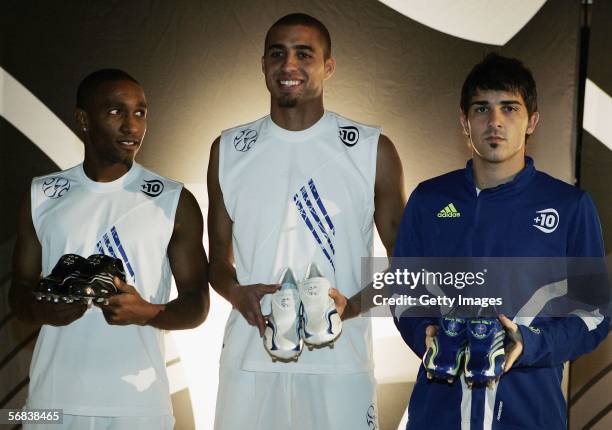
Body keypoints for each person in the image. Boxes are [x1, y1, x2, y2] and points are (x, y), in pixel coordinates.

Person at [207, 13, 406, 430]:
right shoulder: (228, 149)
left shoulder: (372, 149)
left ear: (328, 66)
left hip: (340, 363)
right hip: (251, 360)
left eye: (304, 54)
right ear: (263, 64)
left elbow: (405, 264)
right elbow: (217, 264)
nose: (289, 66)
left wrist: (351, 307)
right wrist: (236, 294)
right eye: (277, 54)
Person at [393, 53, 609, 429]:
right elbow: (401, 291)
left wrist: (530, 342)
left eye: (509, 108)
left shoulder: (570, 205)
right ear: (465, 121)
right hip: (437, 412)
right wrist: (422, 331)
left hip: (530, 412)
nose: (495, 122)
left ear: (532, 121)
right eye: (482, 109)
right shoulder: (429, 199)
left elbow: (596, 313)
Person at [9, 68, 210, 430]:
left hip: (139, 407)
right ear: (84, 120)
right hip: (50, 404)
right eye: (116, 112)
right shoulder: (41, 194)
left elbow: (197, 305)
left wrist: (148, 312)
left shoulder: (173, 200)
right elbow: (18, 292)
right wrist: (42, 309)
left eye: (140, 112)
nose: (132, 126)